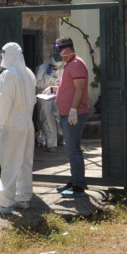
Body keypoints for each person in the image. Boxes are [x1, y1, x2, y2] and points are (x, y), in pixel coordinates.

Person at [0, 42, 37, 214]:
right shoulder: (29, 73)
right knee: (25, 162)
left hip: (12, 124)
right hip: (27, 123)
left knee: (9, 162)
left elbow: (4, 101)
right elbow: (33, 99)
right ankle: (23, 198)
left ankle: (5, 202)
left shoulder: (9, 74)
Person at [53, 37, 90, 198]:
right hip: (67, 114)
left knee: (74, 150)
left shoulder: (76, 64)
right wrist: (54, 90)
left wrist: (73, 109)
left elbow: (80, 88)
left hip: (73, 115)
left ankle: (78, 186)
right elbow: (69, 87)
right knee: (70, 149)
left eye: (59, 50)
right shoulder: (70, 64)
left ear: (67, 50)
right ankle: (74, 180)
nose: (58, 54)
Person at [35, 54, 63, 152]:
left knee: (59, 116)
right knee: (47, 118)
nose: (56, 69)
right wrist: (48, 77)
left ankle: (60, 138)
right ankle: (51, 144)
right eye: (54, 67)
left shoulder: (61, 70)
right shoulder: (42, 68)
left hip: (55, 96)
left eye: (57, 68)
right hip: (43, 96)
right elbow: (38, 84)